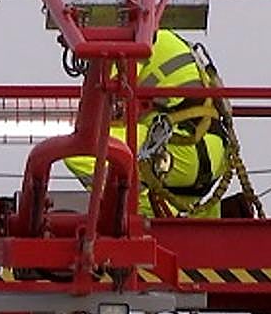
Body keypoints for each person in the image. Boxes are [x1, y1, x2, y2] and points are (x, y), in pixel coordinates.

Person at [64, 29, 228, 218]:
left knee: (82, 147)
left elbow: (108, 99)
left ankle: (141, 211)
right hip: (211, 156)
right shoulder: (165, 40)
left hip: (183, 148)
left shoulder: (133, 42)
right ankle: (194, 224)